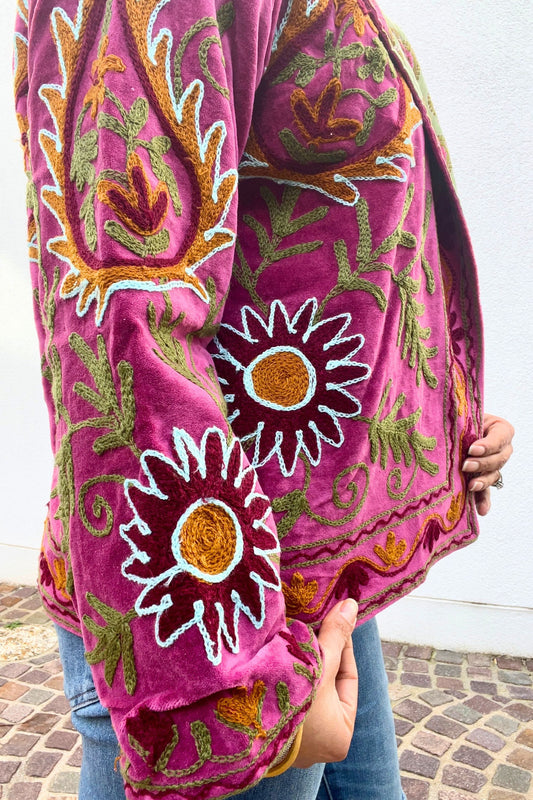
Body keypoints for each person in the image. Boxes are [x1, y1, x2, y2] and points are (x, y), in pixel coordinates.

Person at [13, 1, 514, 798]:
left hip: (320, 574)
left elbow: (338, 243)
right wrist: (234, 694)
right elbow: (121, 320)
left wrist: (434, 408)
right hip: (224, 612)